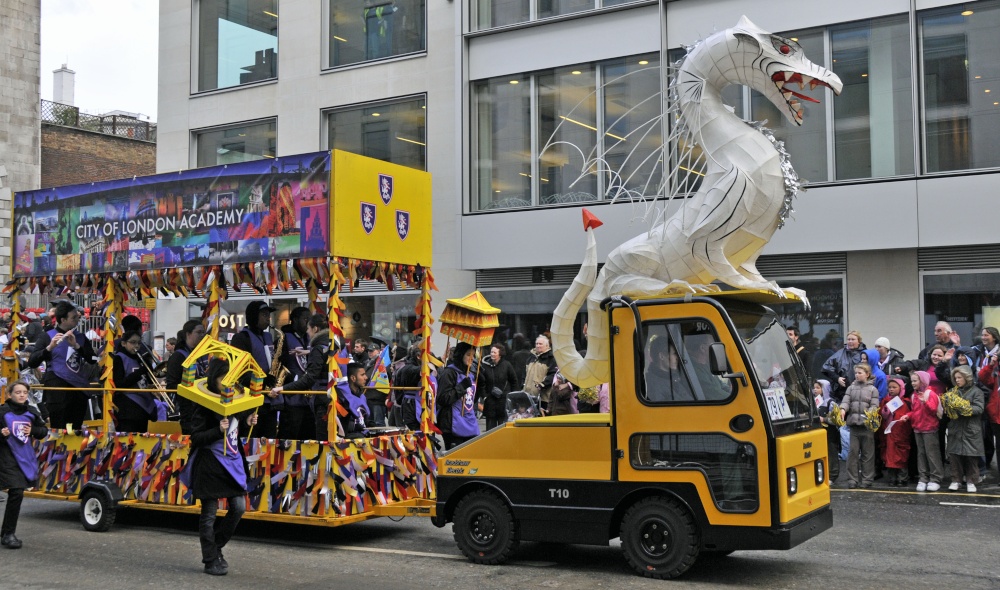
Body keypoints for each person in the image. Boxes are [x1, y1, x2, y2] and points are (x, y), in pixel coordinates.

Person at [184, 359, 257, 576]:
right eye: (223, 378)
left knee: (239, 507)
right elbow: (196, 437)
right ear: (213, 378)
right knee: (209, 514)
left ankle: (216, 547)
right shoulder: (204, 402)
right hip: (209, 465)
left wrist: (247, 423)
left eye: (231, 379)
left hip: (232, 463)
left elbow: (235, 433)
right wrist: (217, 429)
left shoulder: (236, 397)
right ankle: (210, 559)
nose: (228, 383)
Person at [26, 301, 99, 429]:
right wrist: (49, 348)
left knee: (75, 428)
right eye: (74, 318)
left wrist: (77, 346)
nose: (78, 319)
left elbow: (94, 359)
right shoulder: (47, 336)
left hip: (78, 389)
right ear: (63, 319)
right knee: (58, 428)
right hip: (57, 388)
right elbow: (32, 362)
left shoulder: (80, 337)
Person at [0, 381, 48, 549]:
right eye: (18, 392)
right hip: (5, 456)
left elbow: (43, 431)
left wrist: (32, 431)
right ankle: (7, 533)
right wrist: (1, 434)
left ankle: (8, 533)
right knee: (16, 491)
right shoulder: (2, 412)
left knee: (17, 493)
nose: (21, 395)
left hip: (23, 458)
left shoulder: (31, 412)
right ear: (9, 395)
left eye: (24, 392)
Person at [271, 313, 329, 440]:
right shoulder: (334, 343)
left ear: (316, 329)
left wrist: (282, 389)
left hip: (323, 401)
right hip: (335, 399)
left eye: (309, 328)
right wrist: (309, 351)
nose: (307, 332)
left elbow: (309, 378)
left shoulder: (318, 348)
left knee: (322, 440)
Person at [229, 302, 280, 438]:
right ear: (253, 317)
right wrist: (262, 380)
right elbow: (240, 371)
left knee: (270, 440)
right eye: (264, 315)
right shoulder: (241, 338)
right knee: (252, 439)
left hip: (270, 401)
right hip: (251, 400)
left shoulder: (268, 336)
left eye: (269, 315)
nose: (268, 318)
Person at [943, 365, 984, 493]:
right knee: (954, 456)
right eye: (955, 378)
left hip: (971, 428)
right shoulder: (952, 391)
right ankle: (956, 480)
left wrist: (964, 408)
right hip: (956, 428)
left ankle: (972, 481)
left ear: (967, 377)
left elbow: (979, 408)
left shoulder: (977, 392)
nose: (957, 380)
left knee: (971, 456)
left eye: (960, 377)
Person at [900, 370, 942, 492]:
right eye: (912, 381)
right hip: (918, 428)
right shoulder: (914, 395)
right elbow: (915, 411)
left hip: (930, 428)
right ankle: (923, 478)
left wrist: (925, 401)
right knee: (921, 454)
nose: (912, 383)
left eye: (915, 381)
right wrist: (908, 415)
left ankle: (935, 478)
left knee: (932, 454)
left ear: (922, 381)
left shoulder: (930, 394)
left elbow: (933, 410)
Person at [839, 363, 879, 489]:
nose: (857, 375)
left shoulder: (873, 390)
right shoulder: (851, 388)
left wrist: (871, 414)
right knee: (853, 453)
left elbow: (874, 405)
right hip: (854, 426)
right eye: (856, 373)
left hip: (867, 427)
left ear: (867, 375)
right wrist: (842, 409)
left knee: (868, 454)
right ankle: (853, 479)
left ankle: (867, 479)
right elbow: (846, 401)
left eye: (860, 373)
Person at [276, 307, 313, 440]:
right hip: (292, 398)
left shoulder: (310, 338)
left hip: (309, 398)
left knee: (309, 436)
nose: (308, 322)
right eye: (305, 319)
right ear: (294, 320)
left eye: (310, 319)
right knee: (290, 435)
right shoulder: (284, 338)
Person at [164, 320, 208, 434]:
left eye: (203, 332)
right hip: (187, 410)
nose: (202, 335)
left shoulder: (200, 354)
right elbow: (171, 385)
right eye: (199, 332)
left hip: (201, 408)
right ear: (188, 334)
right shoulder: (178, 356)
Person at [112, 330, 159, 432]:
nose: (137, 346)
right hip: (128, 408)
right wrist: (140, 372)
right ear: (124, 343)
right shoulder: (119, 358)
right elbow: (119, 384)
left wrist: (149, 368)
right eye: (133, 342)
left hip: (143, 408)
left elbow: (149, 382)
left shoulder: (139, 358)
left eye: (138, 343)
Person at [436, 342, 480, 449]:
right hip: (452, 425)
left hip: (469, 424)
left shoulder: (469, 373)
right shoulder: (449, 373)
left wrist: (482, 385)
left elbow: (470, 401)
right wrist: (461, 387)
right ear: (460, 355)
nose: (471, 358)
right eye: (468, 355)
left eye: (473, 355)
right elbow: (443, 398)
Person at [880, 377, 912, 487]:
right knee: (889, 455)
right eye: (889, 387)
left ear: (901, 388)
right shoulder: (885, 401)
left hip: (901, 433)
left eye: (894, 387)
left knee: (901, 456)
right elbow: (882, 415)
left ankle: (902, 478)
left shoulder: (906, 402)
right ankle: (892, 478)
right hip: (889, 433)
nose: (891, 389)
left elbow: (910, 416)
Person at [479, 343, 517, 430]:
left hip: (503, 400)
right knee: (490, 427)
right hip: (490, 400)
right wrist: (484, 396)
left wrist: (512, 396)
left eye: (494, 352)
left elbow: (514, 381)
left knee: (502, 426)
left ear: (500, 354)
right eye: (491, 352)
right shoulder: (485, 365)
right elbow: (481, 382)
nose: (492, 354)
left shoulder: (507, 365)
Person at [822, 330, 867, 403]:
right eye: (848, 339)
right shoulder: (840, 353)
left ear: (859, 341)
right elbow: (826, 367)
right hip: (841, 393)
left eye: (853, 339)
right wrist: (837, 378)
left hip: (861, 391)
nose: (850, 341)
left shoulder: (865, 354)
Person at [644, 336, 694, 402]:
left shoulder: (675, 377)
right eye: (674, 354)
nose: (678, 358)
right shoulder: (652, 385)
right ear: (661, 356)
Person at [392, 345, 424, 431]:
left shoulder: (404, 368)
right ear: (418, 356)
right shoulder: (410, 369)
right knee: (414, 431)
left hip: (411, 403)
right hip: (411, 404)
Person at [814, 379, 840, 484]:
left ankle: (832, 475)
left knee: (831, 453)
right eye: (814, 388)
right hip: (817, 432)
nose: (815, 390)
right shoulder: (814, 401)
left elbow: (836, 420)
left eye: (818, 388)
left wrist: (824, 419)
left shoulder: (831, 402)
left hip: (830, 433)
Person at [523, 335, 558, 413]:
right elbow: (524, 373)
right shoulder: (531, 357)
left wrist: (543, 384)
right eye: (537, 344)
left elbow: (553, 375)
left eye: (540, 344)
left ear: (547, 345)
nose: (538, 346)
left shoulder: (551, 358)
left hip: (543, 397)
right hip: (529, 396)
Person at [335, 363, 370, 437]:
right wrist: (355, 426)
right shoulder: (342, 398)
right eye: (362, 375)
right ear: (353, 378)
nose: (366, 377)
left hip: (362, 433)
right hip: (349, 436)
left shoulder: (362, 396)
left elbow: (366, 419)